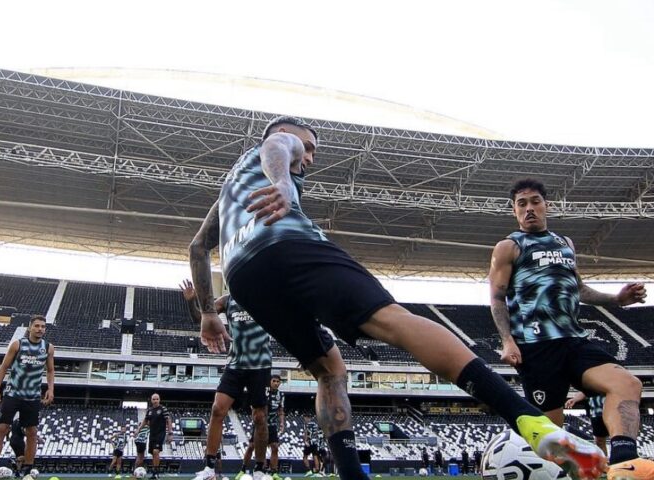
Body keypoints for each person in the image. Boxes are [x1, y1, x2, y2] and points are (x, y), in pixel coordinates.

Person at [189, 116, 608, 480]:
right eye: (310, 148)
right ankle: (532, 424)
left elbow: (196, 247)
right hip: (286, 244)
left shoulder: (231, 189)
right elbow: (281, 145)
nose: (311, 159)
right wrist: (283, 180)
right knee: (395, 320)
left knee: (329, 371)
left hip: (243, 277)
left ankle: (351, 476)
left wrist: (209, 313)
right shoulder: (278, 144)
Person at [488, 178, 654, 480]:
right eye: (522, 204)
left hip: (574, 340)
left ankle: (626, 463)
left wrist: (617, 299)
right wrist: (507, 341)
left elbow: (579, 289)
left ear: (546, 205)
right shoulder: (509, 247)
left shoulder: (565, 244)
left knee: (627, 384)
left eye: (535, 201)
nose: (529, 208)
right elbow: (496, 297)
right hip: (536, 347)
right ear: (514, 211)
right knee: (552, 438)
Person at [180, 279, 270, 480]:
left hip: (260, 365)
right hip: (235, 365)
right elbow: (200, 318)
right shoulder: (226, 301)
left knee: (259, 417)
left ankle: (260, 470)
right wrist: (191, 300)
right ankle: (209, 468)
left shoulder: (265, 297)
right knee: (217, 409)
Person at [0, 316, 55, 480]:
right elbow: (4, 367)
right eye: (36, 326)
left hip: (32, 396)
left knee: (32, 432)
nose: (40, 329)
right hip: (13, 393)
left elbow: (50, 370)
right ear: (30, 328)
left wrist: (50, 389)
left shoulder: (48, 348)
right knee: (2, 428)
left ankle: (28, 472)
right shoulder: (18, 344)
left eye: (43, 326)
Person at [240, 375, 285, 479]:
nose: (276, 383)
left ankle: (274, 472)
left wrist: (282, 423)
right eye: (274, 381)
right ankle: (242, 469)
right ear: (270, 382)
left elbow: (281, 411)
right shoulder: (263, 393)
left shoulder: (281, 395)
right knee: (251, 446)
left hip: (272, 425)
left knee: (275, 447)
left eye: (278, 381)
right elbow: (254, 407)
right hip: (260, 425)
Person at [134, 393, 173, 480]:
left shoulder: (163, 409)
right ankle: (154, 473)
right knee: (153, 454)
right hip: (152, 435)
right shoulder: (150, 410)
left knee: (156, 451)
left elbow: (168, 420)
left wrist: (170, 433)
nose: (155, 401)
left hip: (160, 434)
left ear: (159, 400)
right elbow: (145, 420)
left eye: (157, 399)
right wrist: (138, 430)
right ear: (151, 400)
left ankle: (155, 473)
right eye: (154, 399)